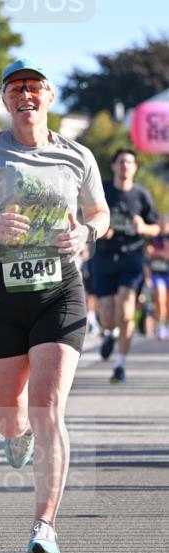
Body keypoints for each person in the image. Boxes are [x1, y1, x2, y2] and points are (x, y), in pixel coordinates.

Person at [0, 58, 110, 553]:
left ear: (49, 96)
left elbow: (98, 212)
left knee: (48, 406)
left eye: (34, 87)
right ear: (6, 100)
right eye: (16, 89)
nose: (26, 95)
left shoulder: (77, 156)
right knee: (10, 417)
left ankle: (44, 523)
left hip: (59, 291)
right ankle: (18, 435)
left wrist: (85, 231)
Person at [91, 148, 160, 382]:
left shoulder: (141, 195)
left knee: (127, 311)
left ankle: (120, 365)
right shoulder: (102, 191)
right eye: (121, 161)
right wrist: (101, 231)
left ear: (135, 167)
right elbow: (87, 217)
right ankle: (109, 333)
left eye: (130, 162)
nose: (125, 166)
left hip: (131, 257)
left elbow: (156, 227)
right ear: (113, 166)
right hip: (104, 258)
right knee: (108, 314)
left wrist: (143, 228)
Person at [147, 215, 169, 340]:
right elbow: (148, 253)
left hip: (168, 273)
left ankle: (166, 324)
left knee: (167, 302)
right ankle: (161, 326)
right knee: (160, 299)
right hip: (156, 273)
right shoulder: (153, 237)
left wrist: (157, 253)